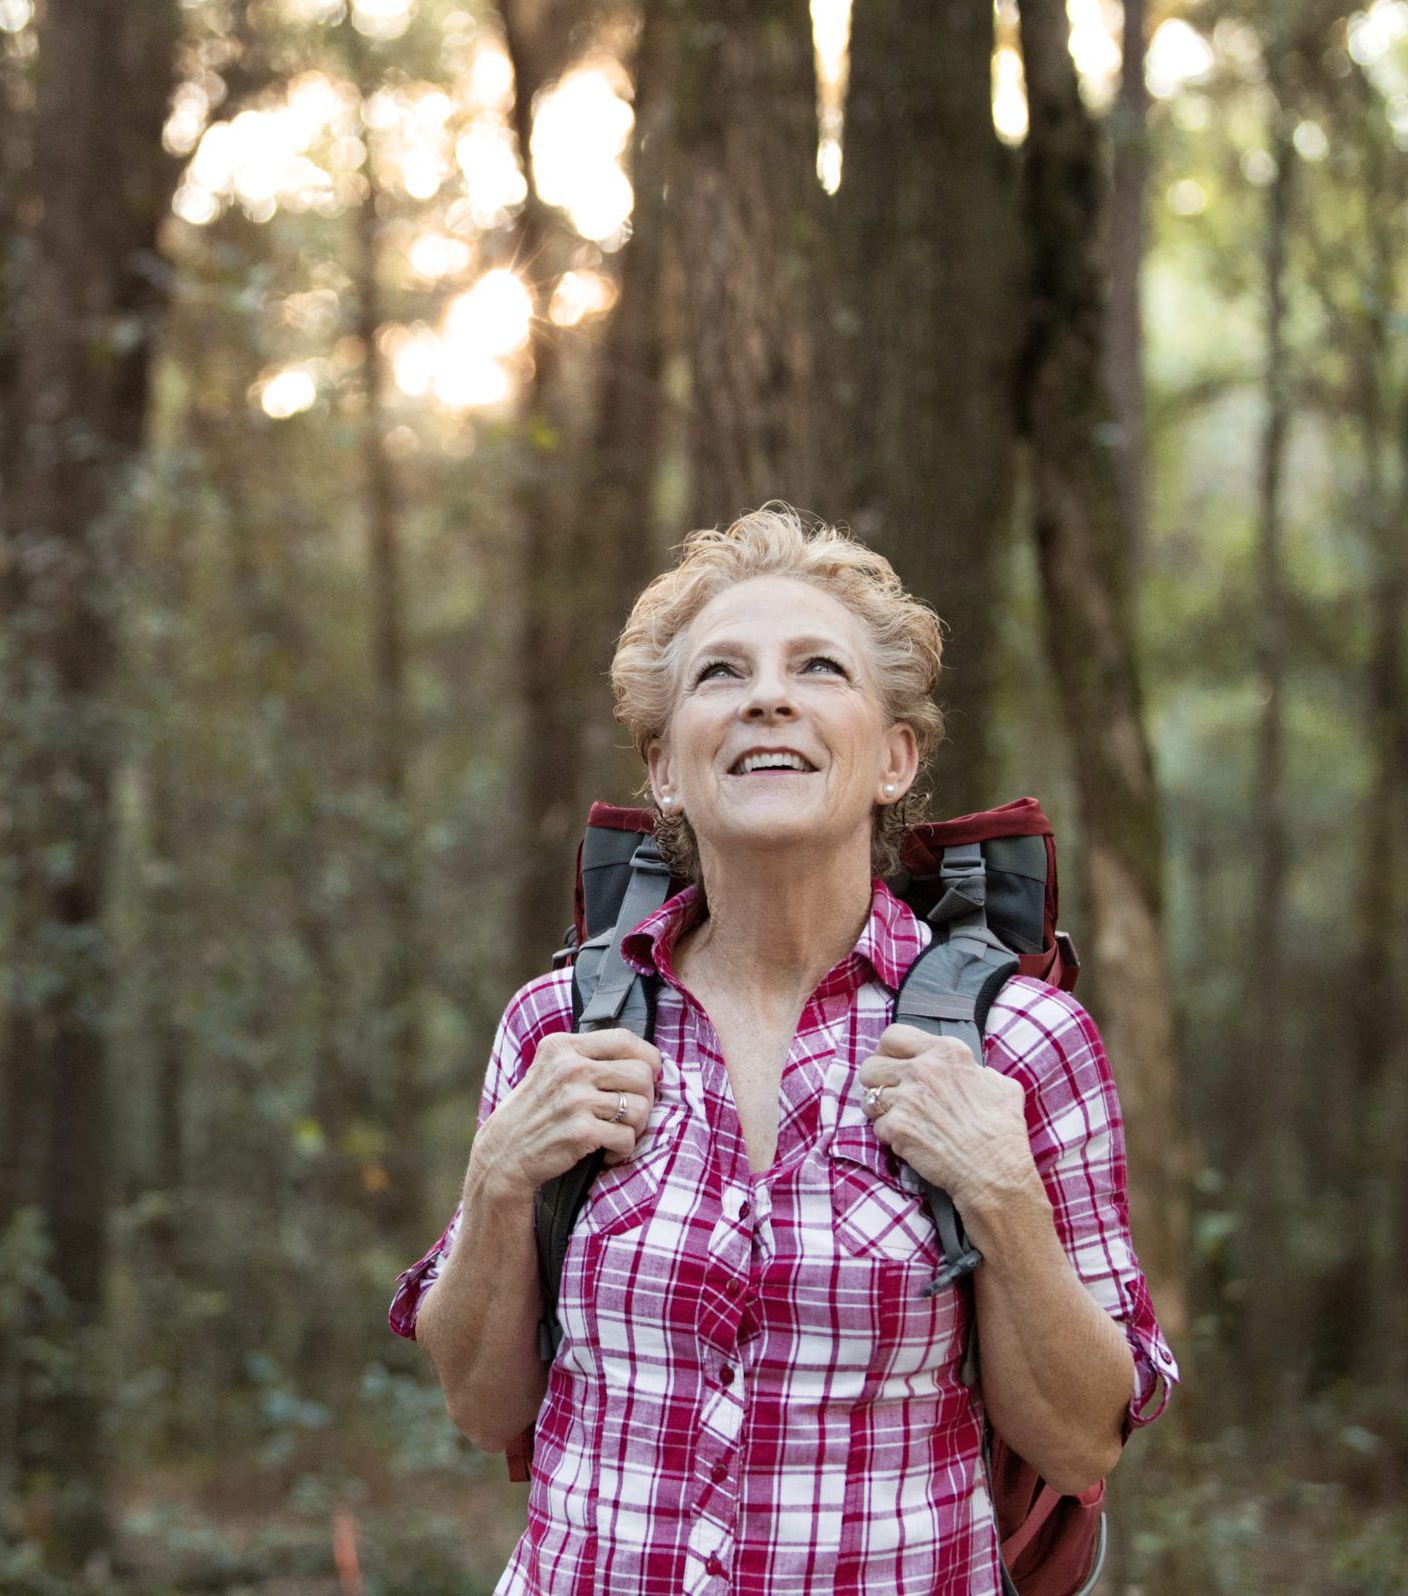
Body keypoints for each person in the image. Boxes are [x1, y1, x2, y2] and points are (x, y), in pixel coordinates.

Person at [390, 505, 1177, 1595]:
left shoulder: (1020, 1041)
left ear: (894, 758)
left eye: (818, 668)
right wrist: (497, 1177)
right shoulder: (556, 1024)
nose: (768, 695)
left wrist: (1001, 1193)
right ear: (665, 768)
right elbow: (482, 1412)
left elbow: (1081, 1442)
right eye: (721, 673)